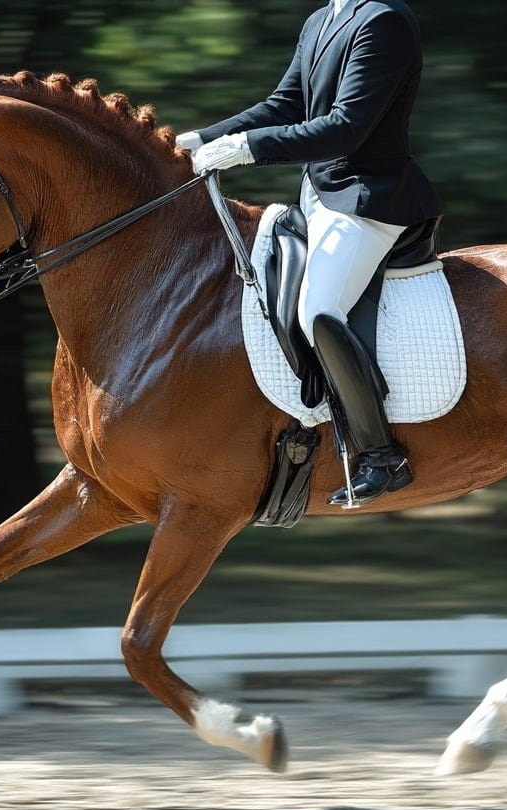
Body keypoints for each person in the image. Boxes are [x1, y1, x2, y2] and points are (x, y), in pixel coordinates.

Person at [178, 0, 442, 508]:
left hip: (368, 199)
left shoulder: (384, 20)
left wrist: (247, 148)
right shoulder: (322, 20)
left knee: (318, 309)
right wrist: (199, 139)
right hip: (318, 196)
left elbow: (346, 127)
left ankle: (382, 455)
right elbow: (285, 104)